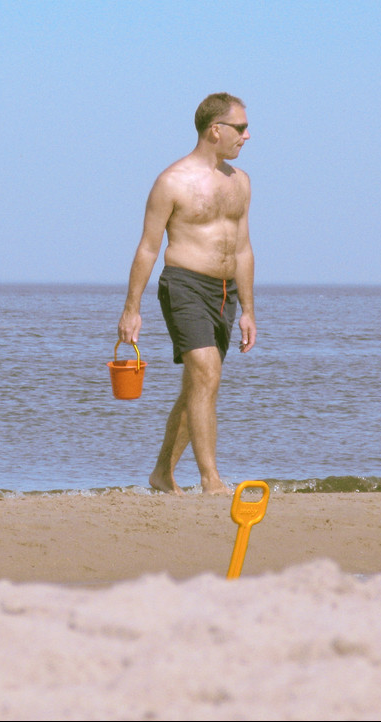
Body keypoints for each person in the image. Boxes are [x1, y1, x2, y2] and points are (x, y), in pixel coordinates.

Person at [117, 92, 257, 496]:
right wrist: (132, 309)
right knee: (207, 373)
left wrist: (248, 309)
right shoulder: (171, 182)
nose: (247, 136)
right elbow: (147, 247)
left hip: (225, 292)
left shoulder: (241, 183)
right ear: (216, 130)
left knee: (199, 384)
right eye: (241, 128)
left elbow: (244, 248)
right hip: (184, 285)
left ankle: (162, 474)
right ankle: (211, 480)